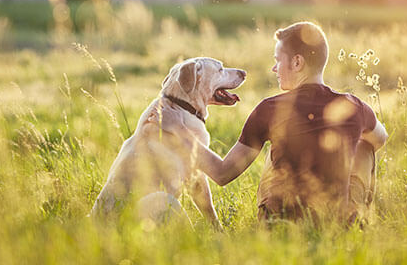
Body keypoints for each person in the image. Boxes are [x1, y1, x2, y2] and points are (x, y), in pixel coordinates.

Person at [161, 22, 388, 223]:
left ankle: (285, 212)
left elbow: (222, 174)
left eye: (278, 60)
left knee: (275, 146)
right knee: (365, 146)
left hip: (277, 223)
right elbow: (380, 138)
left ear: (297, 62)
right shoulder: (354, 106)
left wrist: (179, 132)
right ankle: (358, 217)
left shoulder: (269, 109)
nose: (274, 68)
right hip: (334, 223)